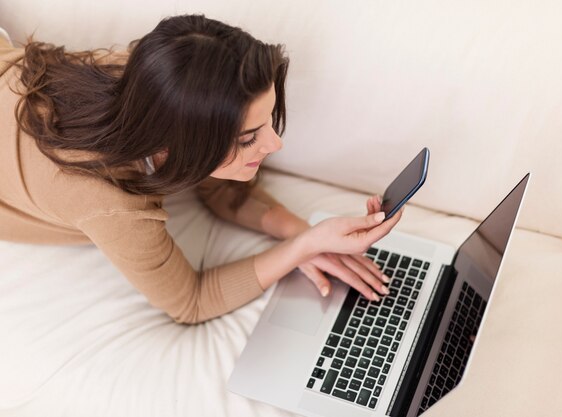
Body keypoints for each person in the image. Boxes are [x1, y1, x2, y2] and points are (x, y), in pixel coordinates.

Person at [0, 15, 403, 324]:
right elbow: (191, 302)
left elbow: (222, 189)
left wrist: (308, 233)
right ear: (173, 144)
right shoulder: (111, 204)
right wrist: (301, 249)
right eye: (249, 138)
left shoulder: (159, 79)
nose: (274, 145)